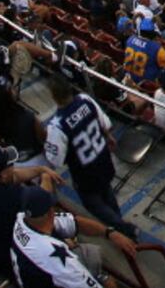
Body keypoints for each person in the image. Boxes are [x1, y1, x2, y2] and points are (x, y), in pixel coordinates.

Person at [10, 186, 163, 288]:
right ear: (50, 211)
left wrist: (109, 233)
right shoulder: (50, 255)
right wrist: (110, 286)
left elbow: (76, 223)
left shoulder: (22, 221)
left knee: (91, 253)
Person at [43, 77, 136, 237]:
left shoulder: (57, 125)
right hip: (102, 158)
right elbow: (105, 124)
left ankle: (122, 228)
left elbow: (55, 160)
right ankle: (120, 225)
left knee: (93, 203)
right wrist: (107, 135)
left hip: (85, 171)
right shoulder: (85, 100)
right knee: (106, 191)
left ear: (54, 96)